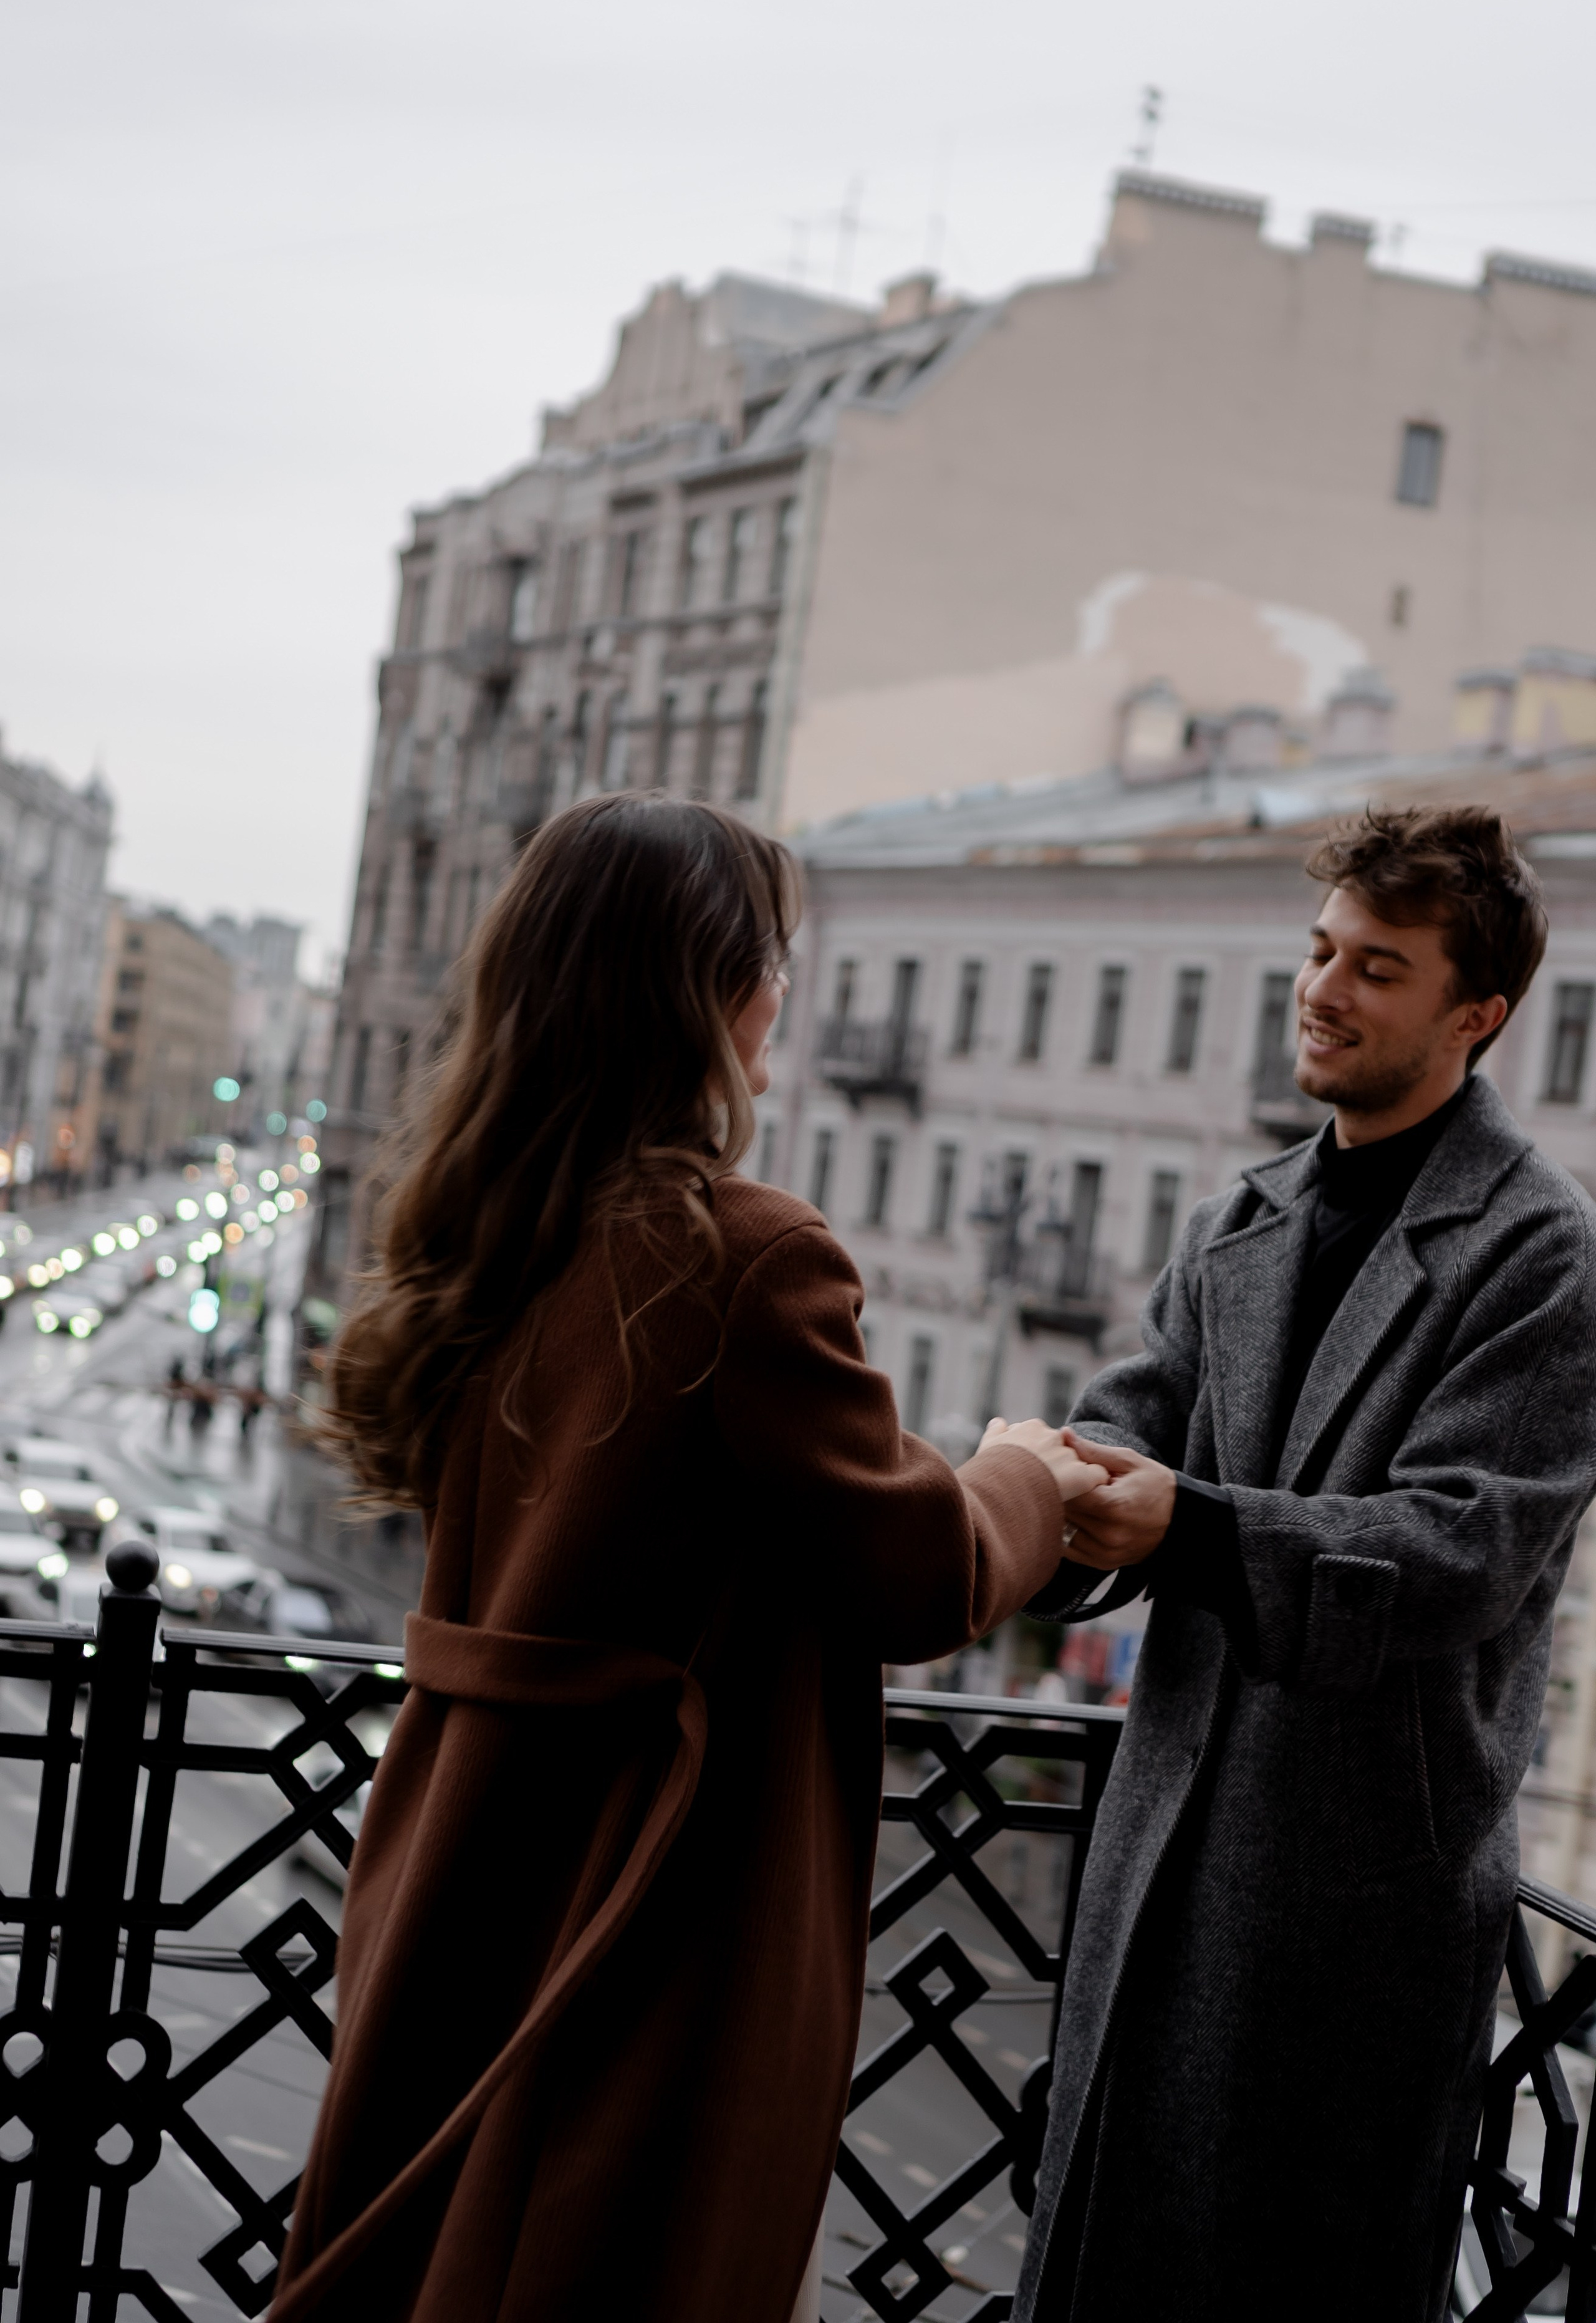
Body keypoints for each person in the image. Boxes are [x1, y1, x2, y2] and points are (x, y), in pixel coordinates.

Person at [269, 792, 1105, 2323]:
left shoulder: (498, 1222)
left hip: (463, 1859)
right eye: (771, 958)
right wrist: (1023, 1477)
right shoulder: (744, 1254)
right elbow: (914, 1571)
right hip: (639, 1909)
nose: (785, 993)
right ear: (706, 986)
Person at [1014, 807, 1596, 2323]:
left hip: (1353, 1897)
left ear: (1476, 1015)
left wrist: (1189, 1529)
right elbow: (1122, 1425)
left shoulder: (1539, 1253)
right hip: (1157, 1855)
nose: (1321, 990)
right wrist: (1024, 1497)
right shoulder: (1239, 1218)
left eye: (1376, 968)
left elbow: (1461, 1548)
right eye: (1318, 950)